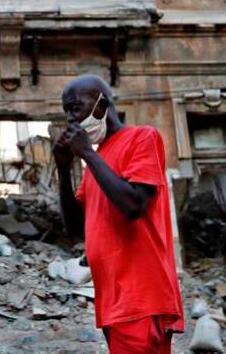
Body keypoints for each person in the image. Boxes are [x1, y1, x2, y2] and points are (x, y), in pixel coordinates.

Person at [53, 75, 184, 353]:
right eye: (66, 111)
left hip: (141, 299)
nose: (70, 119)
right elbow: (75, 228)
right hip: (115, 304)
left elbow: (134, 205)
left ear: (101, 105)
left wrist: (87, 153)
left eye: (76, 108)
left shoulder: (142, 137)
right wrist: (64, 170)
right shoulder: (96, 163)